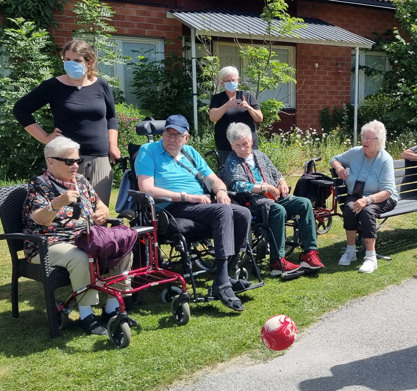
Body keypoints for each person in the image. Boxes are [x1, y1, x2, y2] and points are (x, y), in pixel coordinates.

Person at [135, 114, 251, 312]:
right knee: (223, 212)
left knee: (242, 213)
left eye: (177, 135)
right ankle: (222, 284)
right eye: (167, 133)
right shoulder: (148, 151)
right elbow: (147, 190)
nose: (171, 138)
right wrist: (187, 196)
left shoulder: (190, 152)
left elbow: (214, 180)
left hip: (200, 206)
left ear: (186, 138)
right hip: (171, 208)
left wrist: (221, 191)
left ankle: (226, 272)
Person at [23, 137, 133, 336]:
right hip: (48, 242)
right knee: (81, 256)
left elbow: (98, 203)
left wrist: (103, 211)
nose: (75, 165)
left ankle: (112, 308)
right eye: (69, 161)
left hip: (84, 235)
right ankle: (86, 315)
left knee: (123, 246)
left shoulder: (80, 181)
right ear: (51, 161)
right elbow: (39, 219)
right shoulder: (37, 185)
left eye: (77, 161)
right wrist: (57, 203)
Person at [14, 39, 120, 206]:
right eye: (67, 60)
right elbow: (20, 109)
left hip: (99, 159)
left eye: (77, 60)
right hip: (66, 161)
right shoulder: (53, 86)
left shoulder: (101, 85)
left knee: (100, 214)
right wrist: (45, 138)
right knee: (70, 214)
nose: (71, 64)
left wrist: (113, 145)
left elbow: (111, 117)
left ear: (89, 62)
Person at [220, 122, 325, 277]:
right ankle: (277, 261)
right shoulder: (232, 161)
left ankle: (309, 253)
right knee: (278, 210)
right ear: (231, 145)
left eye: (245, 144)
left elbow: (276, 173)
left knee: (304, 203)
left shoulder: (260, 155)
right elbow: (236, 184)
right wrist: (264, 188)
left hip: (274, 198)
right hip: (253, 202)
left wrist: (282, 182)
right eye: (238, 145)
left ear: (251, 141)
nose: (242, 149)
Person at [330, 120, 398, 274]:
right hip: (356, 194)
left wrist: (367, 200)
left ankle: (370, 257)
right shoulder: (355, 152)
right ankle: (351, 251)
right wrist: (339, 167)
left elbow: (387, 191)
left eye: (369, 138)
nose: (364, 141)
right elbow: (334, 159)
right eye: (363, 137)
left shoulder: (385, 159)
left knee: (367, 212)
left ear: (379, 141)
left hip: (382, 197)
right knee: (349, 208)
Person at [209, 66, 264, 168]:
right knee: (228, 173)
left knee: (252, 170)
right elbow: (213, 117)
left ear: (238, 80)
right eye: (228, 81)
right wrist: (227, 105)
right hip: (226, 145)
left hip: (247, 144)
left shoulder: (248, 96)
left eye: (233, 80)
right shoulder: (218, 98)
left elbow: (259, 118)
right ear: (222, 83)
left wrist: (248, 107)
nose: (231, 83)